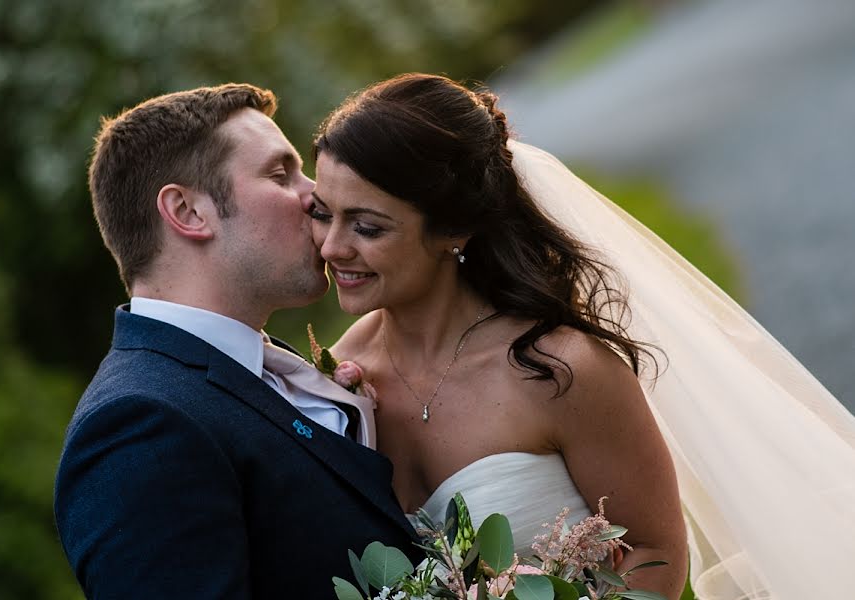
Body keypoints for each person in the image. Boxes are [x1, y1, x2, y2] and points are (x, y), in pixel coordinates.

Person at [309, 73, 855, 600]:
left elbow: (655, 548)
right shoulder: (333, 378)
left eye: (367, 226)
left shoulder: (560, 369)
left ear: (454, 229)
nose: (332, 247)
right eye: (322, 213)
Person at [53, 83, 420, 599]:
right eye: (279, 174)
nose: (316, 195)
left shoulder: (260, 372)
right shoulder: (138, 427)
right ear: (188, 212)